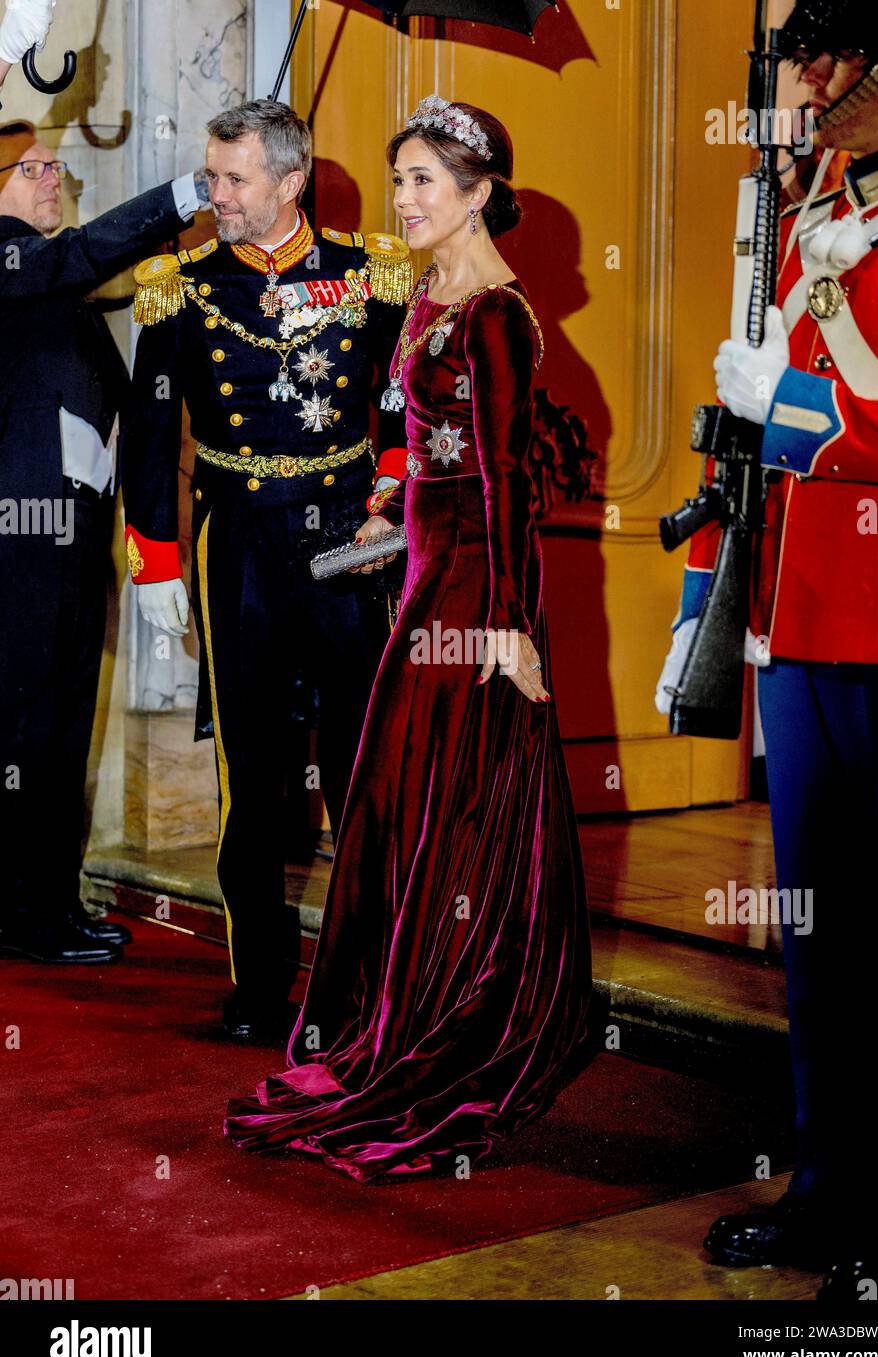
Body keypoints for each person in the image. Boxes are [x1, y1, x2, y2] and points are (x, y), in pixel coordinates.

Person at [224, 95, 595, 1183]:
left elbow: (512, 482)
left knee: (450, 811)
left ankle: (447, 1026)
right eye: (398, 181)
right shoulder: (430, 296)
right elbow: (430, 447)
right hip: (424, 578)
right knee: (400, 807)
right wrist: (393, 513)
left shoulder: (496, 316)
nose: (403, 199)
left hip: (474, 598)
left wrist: (513, 631)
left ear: (482, 194)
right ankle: (399, 1012)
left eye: (426, 180)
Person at [661, 1, 878, 1298]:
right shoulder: (811, 213)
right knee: (821, 937)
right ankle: (830, 1186)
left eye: (831, 59)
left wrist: (799, 405)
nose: (809, 83)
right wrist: (708, 593)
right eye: (800, 59)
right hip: (802, 618)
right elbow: (741, 446)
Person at [122, 100, 411, 1043]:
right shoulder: (182, 282)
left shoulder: (375, 274)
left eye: (235, 178)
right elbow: (150, 431)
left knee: (366, 764)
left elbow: (408, 409)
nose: (217, 196)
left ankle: (368, 981)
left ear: (293, 182)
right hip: (237, 537)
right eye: (211, 175)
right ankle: (258, 987)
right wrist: (156, 561)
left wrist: (395, 506)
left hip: (346, 536)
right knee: (253, 776)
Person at [0, 98, 213, 964]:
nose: (56, 177)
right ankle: (26, 916)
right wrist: (187, 193)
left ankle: (47, 900)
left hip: (71, 536)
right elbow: (84, 252)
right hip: (21, 541)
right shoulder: (12, 259)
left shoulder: (47, 276)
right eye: (33, 168)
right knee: (28, 731)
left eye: (56, 165)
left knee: (57, 724)